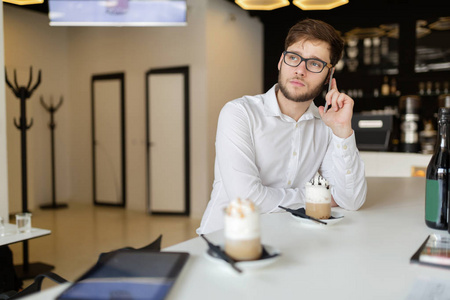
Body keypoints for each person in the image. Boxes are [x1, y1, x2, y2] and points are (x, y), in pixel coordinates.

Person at [197, 18, 367, 234]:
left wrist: (343, 132)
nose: (300, 70)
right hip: (224, 240)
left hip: (287, 242)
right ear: (281, 62)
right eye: (293, 58)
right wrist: (320, 197)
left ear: (329, 77)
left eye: (315, 63)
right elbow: (247, 198)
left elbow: (351, 200)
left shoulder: (326, 125)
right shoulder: (239, 113)